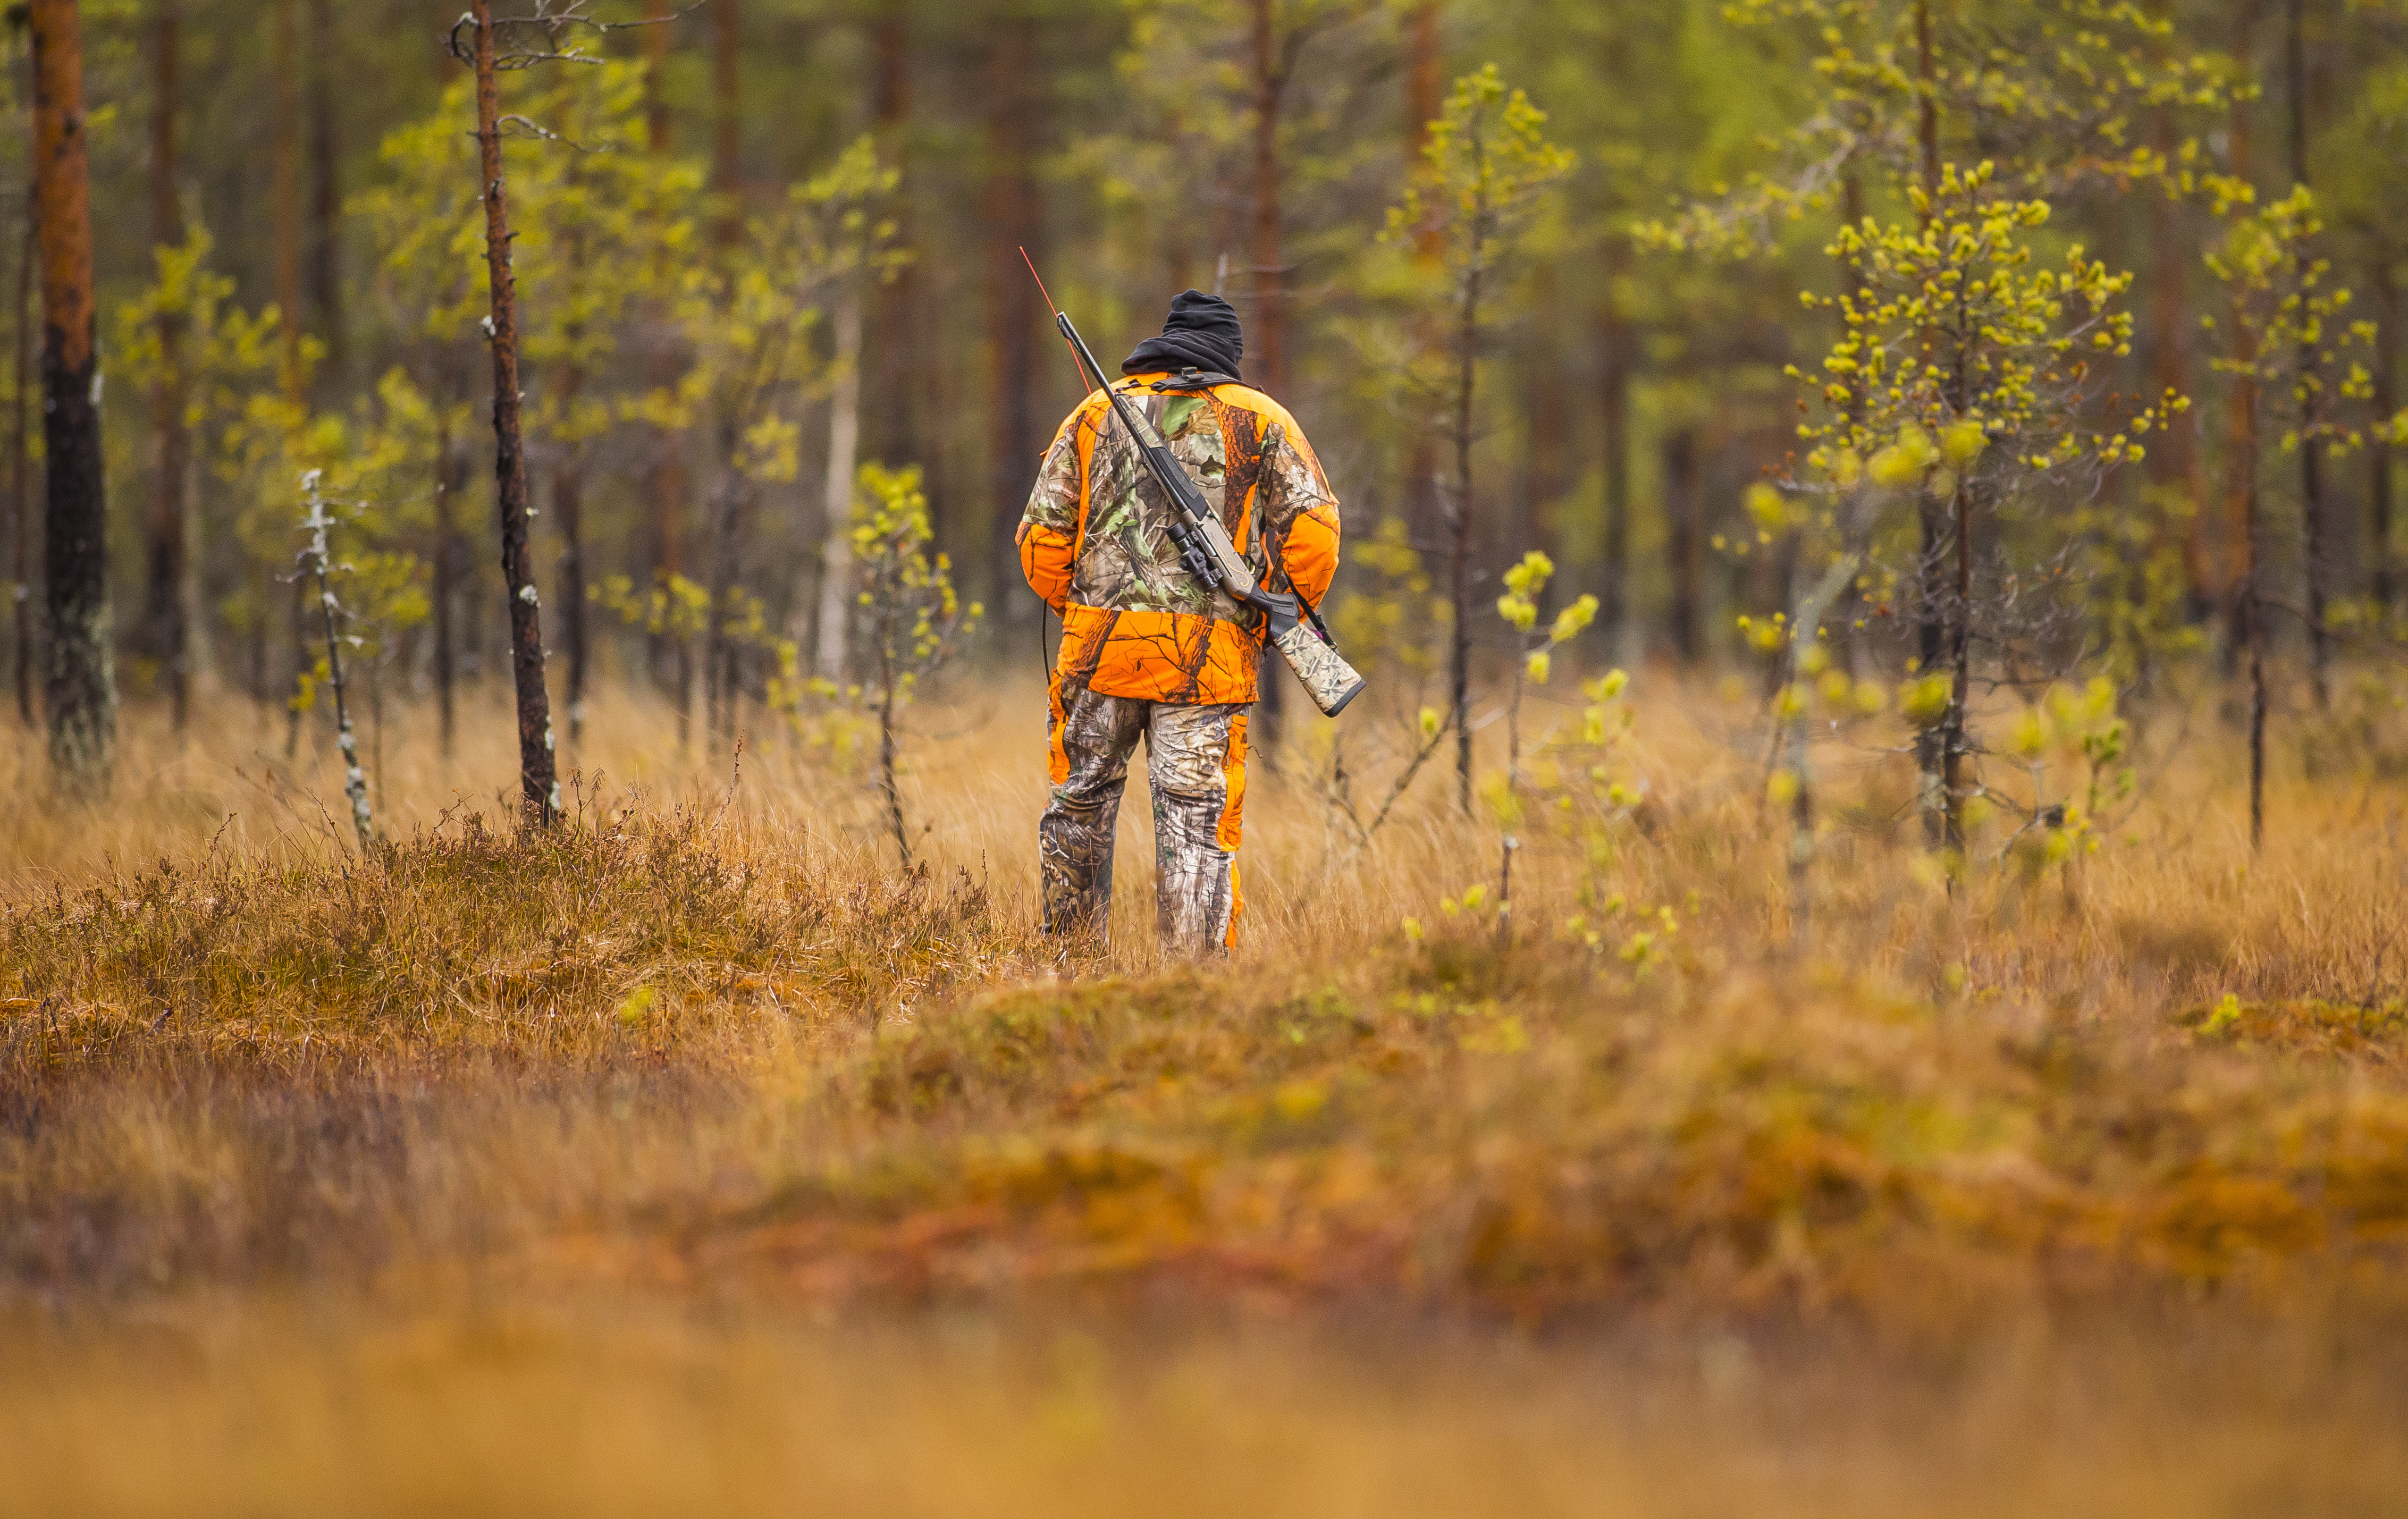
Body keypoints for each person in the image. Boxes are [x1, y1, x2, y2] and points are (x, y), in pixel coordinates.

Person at [1016, 290, 1341, 951]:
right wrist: (1257, 609)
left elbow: (1039, 541)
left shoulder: (1092, 413)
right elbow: (1314, 536)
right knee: (1195, 820)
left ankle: (1068, 969)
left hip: (1097, 658)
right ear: (1228, 354)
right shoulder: (1263, 417)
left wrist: (1083, 611)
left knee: (1079, 809)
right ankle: (1191, 987)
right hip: (1206, 668)